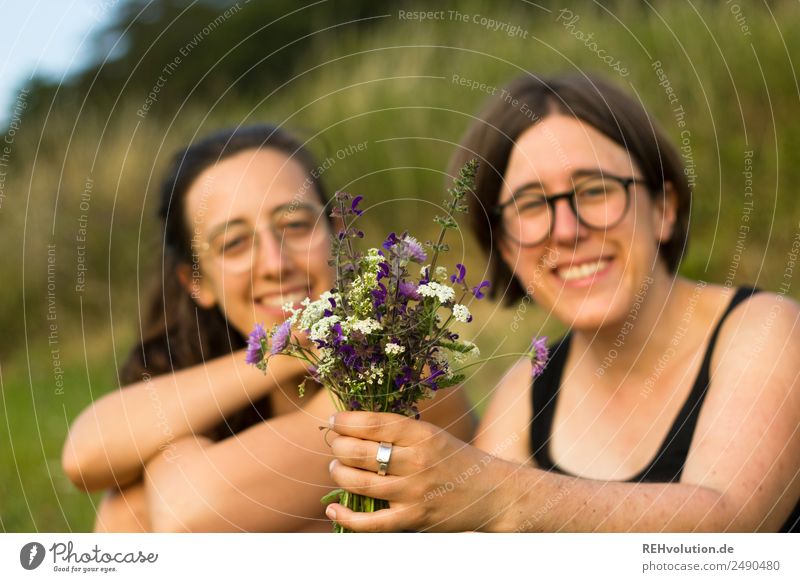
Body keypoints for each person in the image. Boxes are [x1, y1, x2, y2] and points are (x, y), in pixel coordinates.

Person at [325, 73, 800, 532]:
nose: (568, 232)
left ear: (665, 208)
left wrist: (499, 497)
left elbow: (734, 526)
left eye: (594, 191)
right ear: (507, 247)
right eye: (531, 205)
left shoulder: (766, 331)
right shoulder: (525, 393)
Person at [62, 124, 474, 532]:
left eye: (296, 226)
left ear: (338, 232)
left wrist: (164, 445)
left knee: (135, 501)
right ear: (197, 282)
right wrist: (287, 351)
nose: (276, 264)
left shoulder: (401, 374)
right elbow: (83, 455)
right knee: (128, 503)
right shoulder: (227, 380)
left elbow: (191, 510)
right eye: (235, 243)